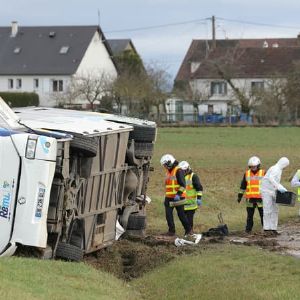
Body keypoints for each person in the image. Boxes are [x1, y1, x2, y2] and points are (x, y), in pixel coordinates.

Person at [160, 154, 192, 236]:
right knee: (168, 215)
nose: (164, 167)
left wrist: (178, 194)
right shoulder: (168, 172)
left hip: (179, 198)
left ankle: (188, 231)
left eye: (165, 165)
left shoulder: (178, 170)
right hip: (169, 198)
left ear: (169, 162)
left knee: (181, 215)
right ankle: (171, 231)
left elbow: (183, 185)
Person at [260, 157, 289, 235]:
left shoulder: (279, 170)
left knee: (275, 209)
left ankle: (273, 228)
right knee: (267, 209)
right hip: (266, 191)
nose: (285, 167)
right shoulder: (275, 169)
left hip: (273, 191)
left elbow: (275, 181)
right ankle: (267, 229)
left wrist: (282, 188)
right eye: (286, 165)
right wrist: (278, 187)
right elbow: (271, 178)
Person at [237, 156, 265, 233]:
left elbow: (268, 185)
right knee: (249, 216)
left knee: (263, 215)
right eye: (251, 166)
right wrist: (240, 196)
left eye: (254, 166)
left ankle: (266, 229)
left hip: (261, 198)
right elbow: (243, 186)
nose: (253, 168)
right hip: (250, 199)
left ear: (258, 165)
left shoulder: (263, 173)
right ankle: (248, 230)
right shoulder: (247, 173)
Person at [178, 161, 203, 233]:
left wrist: (199, 199)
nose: (183, 172)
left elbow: (199, 188)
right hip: (181, 203)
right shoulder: (179, 176)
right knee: (183, 220)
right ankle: (188, 232)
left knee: (189, 219)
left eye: (184, 170)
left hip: (191, 204)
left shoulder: (193, 176)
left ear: (188, 168)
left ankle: (189, 233)